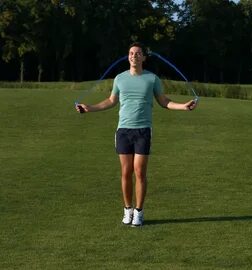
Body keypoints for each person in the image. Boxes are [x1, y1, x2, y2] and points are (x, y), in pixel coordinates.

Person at [75, 42, 197, 226]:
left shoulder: (152, 79)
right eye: (131, 53)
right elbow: (110, 101)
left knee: (140, 172)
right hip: (123, 130)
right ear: (128, 57)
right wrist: (89, 108)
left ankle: (139, 212)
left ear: (143, 58)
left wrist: (183, 107)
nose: (134, 56)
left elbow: (164, 102)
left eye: (138, 53)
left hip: (143, 130)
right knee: (126, 172)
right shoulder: (119, 79)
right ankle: (127, 209)